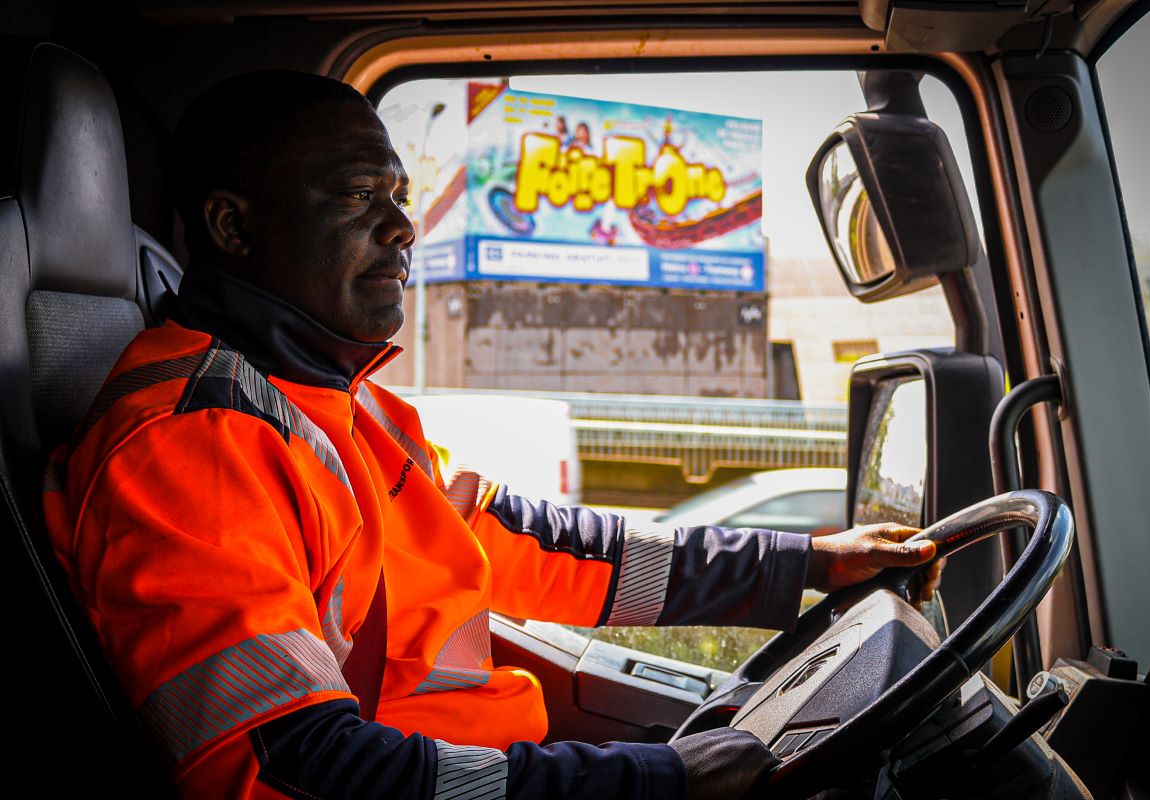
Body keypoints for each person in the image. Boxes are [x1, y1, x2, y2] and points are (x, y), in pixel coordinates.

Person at [43, 71, 942, 800]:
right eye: (359, 195)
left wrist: (810, 564)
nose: (400, 226)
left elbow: (529, 542)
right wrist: (659, 781)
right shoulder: (191, 442)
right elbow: (283, 769)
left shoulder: (340, 406)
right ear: (232, 226)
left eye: (398, 193)